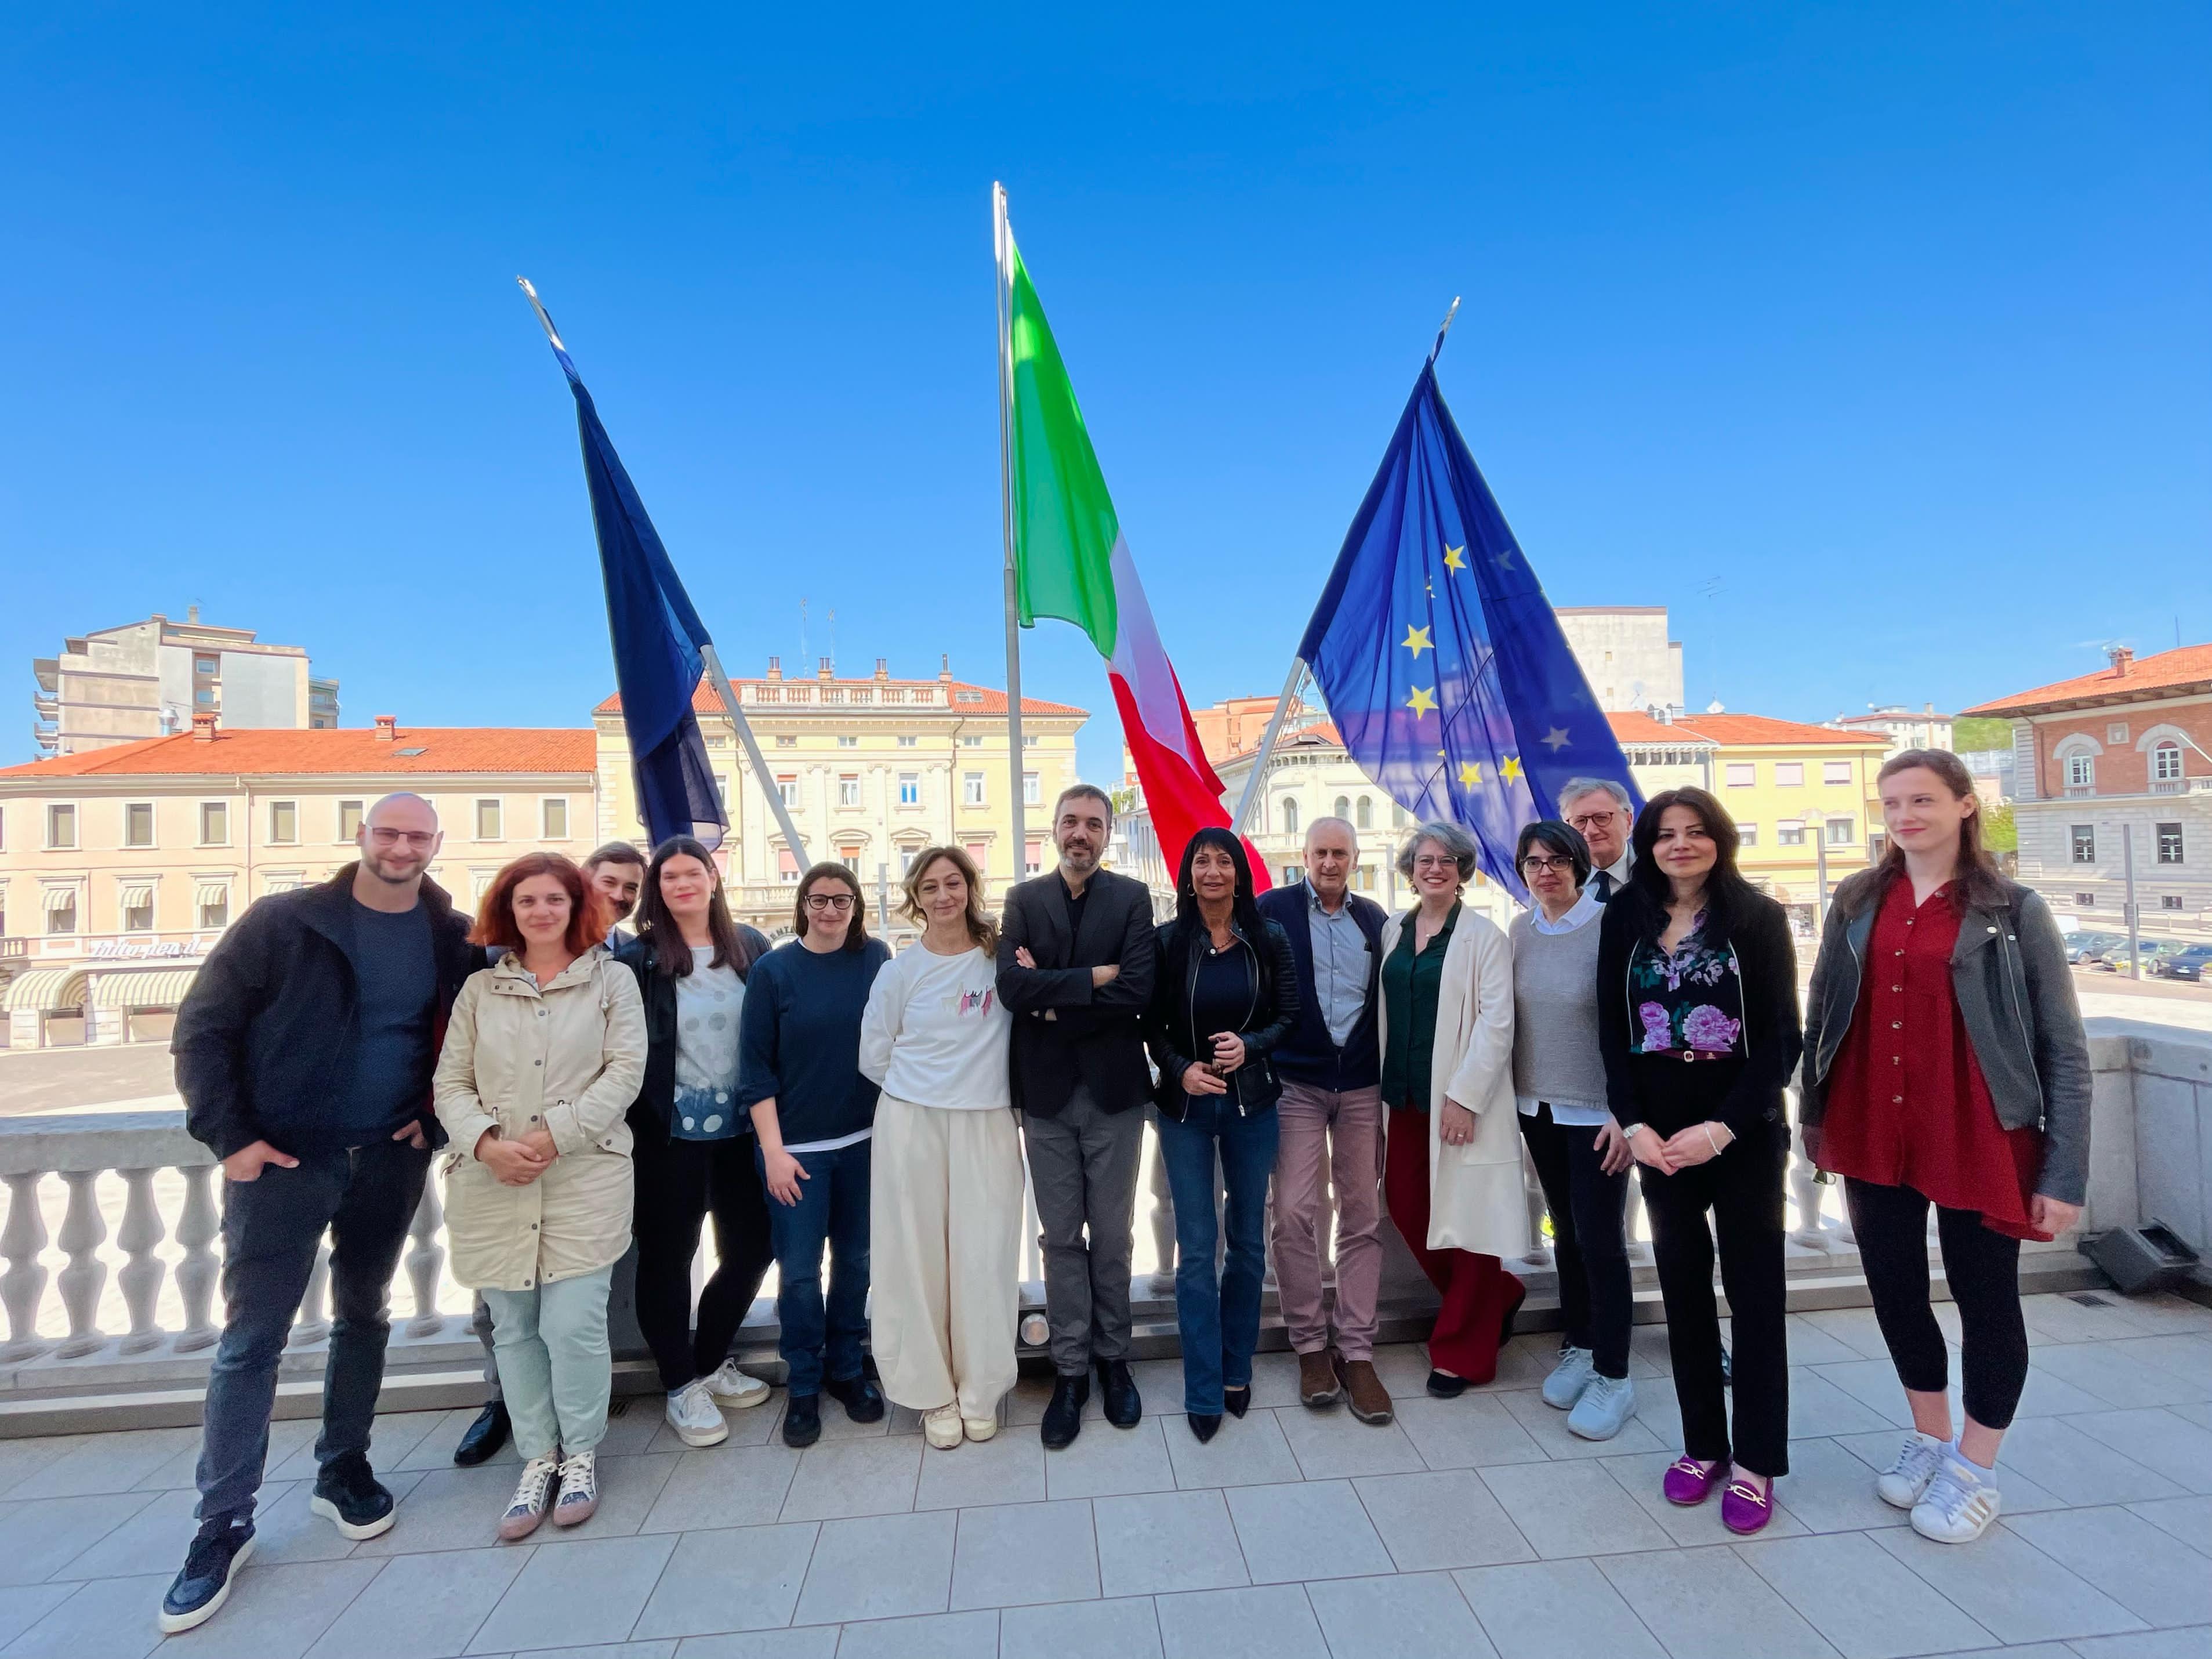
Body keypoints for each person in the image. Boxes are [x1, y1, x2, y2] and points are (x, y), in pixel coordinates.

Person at [161, 793, 481, 1635]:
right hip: (284, 1161)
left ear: (435, 846)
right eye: (389, 832)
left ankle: (343, 1469)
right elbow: (202, 1030)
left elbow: (468, 1043)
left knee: (365, 1316)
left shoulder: (451, 938)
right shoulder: (285, 921)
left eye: (417, 836)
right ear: (364, 838)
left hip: (387, 1157)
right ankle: (221, 1524)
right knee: (250, 1342)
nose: (402, 847)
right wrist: (229, 1137)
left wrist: (434, 1119)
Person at [1801, 749, 2090, 1544]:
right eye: (1891, 803)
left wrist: (2062, 1173)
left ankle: (1975, 1467)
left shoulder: (2012, 910)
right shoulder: (1857, 899)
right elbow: (1823, 1011)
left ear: (1965, 806)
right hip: (1871, 1123)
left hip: (1975, 1128)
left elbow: (2062, 1046)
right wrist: (1814, 1118)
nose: (1904, 817)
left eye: (1922, 800)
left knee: (1984, 1298)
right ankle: (1929, 1439)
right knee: (1894, 1292)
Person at [1597, 787, 1799, 1536]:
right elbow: (1612, 1037)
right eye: (1663, 834)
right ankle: (1702, 1447)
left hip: (1737, 1134)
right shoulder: (1626, 919)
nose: (1678, 845)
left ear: (1718, 839)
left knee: (1754, 1296)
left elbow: (1780, 1039)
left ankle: (1755, 1461)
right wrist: (1635, 1125)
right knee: (1682, 1291)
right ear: (1645, 845)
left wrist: (1721, 1129)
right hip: (1658, 1140)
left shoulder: (1757, 919)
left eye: (1694, 832)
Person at [434, 854, 646, 1539]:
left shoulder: (612, 982)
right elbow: (451, 1083)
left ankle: (579, 1452)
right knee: (516, 1327)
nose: (542, 911)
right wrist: (486, 1144)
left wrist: (558, 1134)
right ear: (509, 908)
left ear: (576, 905)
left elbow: (625, 1072)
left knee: (573, 1322)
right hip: (495, 1179)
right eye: (527, 900)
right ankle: (538, 1456)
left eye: (555, 898)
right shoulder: (479, 992)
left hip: (583, 1174)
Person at [998, 784, 1159, 1449]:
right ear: (1054, 828)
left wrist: (1053, 993)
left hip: (1115, 1096)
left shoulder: (1131, 898)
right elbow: (1012, 988)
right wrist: (1093, 979)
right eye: (1070, 821)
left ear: (1107, 832)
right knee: (1060, 1239)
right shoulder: (1022, 899)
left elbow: (1138, 991)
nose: (1080, 833)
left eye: (1093, 823)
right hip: (1045, 1095)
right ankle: (1070, 1372)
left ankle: (1113, 1360)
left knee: (1114, 1237)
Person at [617, 838, 777, 1450]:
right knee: (667, 1260)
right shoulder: (637, 960)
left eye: (694, 872)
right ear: (657, 888)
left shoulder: (752, 949)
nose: (682, 883)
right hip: (667, 1137)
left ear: (714, 878)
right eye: (669, 875)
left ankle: (709, 1360)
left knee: (753, 1248)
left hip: (744, 1133)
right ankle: (680, 1384)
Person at [859, 847, 1021, 1448]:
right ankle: (932, 1394)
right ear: (916, 897)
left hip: (987, 1122)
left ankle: (981, 1387)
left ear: (971, 887)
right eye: (931, 887)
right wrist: (924, 1091)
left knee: (985, 1257)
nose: (944, 895)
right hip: (913, 1123)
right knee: (915, 1260)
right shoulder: (899, 971)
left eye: (953, 882)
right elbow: (873, 1053)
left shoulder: (1001, 960)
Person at [1145, 828, 1299, 1441]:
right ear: (1187, 875)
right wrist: (1180, 1067)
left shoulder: (1269, 938)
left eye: (1223, 861)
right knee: (1195, 1250)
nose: (1212, 870)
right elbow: (1149, 1024)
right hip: (1185, 1110)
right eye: (1201, 860)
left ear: (1240, 874)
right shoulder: (1166, 941)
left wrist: (1250, 1045)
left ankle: (1238, 1367)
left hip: (1251, 1106)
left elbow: (1288, 1016)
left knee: (1247, 1244)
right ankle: (1203, 1385)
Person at [740, 862, 891, 1448]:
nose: (830, 910)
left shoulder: (876, 958)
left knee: (856, 1262)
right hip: (795, 1152)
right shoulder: (773, 970)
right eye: (820, 899)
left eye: (842, 900)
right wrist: (773, 1152)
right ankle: (803, 1382)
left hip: (863, 1145)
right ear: (803, 904)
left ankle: (847, 1369)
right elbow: (755, 1072)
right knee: (801, 1274)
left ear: (855, 907)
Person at [1377, 821, 1528, 1395]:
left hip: (1460, 1103)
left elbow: (1497, 1023)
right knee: (1407, 1206)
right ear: (1410, 868)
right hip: (1404, 1097)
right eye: (1423, 858)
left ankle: (1464, 1351)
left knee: (1470, 1222)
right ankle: (1500, 1297)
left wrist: (1464, 1098)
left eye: (1446, 859)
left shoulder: (1483, 937)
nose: (1433, 867)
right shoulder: (1395, 928)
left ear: (1462, 870)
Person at [1255, 817, 1393, 1424]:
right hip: (1296, 1083)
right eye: (1320, 853)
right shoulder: (1273, 910)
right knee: (1292, 1213)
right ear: (1304, 856)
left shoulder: (1375, 921)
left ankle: (1356, 1351)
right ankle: (1310, 1345)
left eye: (1340, 852)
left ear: (1354, 857)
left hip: (1362, 1084)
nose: (1330, 862)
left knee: (1362, 1215)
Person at [1508, 820, 1637, 1441]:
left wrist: (1626, 1112)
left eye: (1558, 859)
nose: (1545, 871)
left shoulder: (1609, 926)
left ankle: (1615, 1372)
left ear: (1580, 865)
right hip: (1536, 1107)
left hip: (1597, 1114)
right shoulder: (1521, 930)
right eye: (1533, 861)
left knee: (1601, 1241)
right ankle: (1580, 1343)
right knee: (1562, 1231)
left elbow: (1635, 1023)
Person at [1560, 777, 1634, 901]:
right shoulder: (1554, 880)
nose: (1591, 831)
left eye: (1601, 818)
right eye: (1580, 821)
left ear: (1628, 821)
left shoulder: (1658, 874)